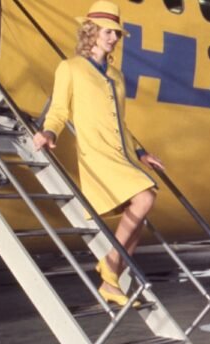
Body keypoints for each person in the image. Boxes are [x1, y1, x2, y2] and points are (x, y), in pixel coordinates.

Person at [33, 1, 164, 307]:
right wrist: (50, 132)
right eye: (108, 32)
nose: (113, 38)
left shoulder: (116, 77)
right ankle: (109, 265)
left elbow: (121, 122)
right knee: (145, 198)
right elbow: (59, 110)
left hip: (122, 154)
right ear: (91, 32)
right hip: (96, 153)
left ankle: (112, 283)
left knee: (141, 216)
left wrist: (142, 152)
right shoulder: (70, 68)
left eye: (117, 33)